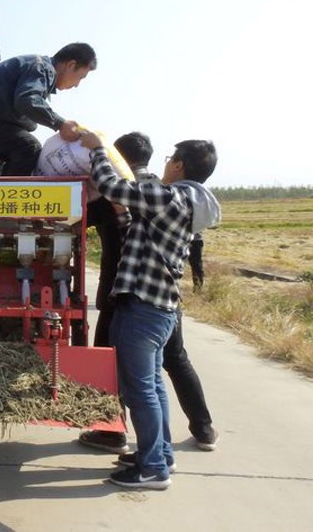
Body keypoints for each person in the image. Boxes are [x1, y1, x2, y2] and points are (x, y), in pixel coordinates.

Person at [79, 132, 220, 490]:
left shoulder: (168, 196)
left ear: (179, 165)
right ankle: (159, 454)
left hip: (143, 307)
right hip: (160, 307)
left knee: (140, 389)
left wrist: (97, 148)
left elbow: (111, 185)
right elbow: (140, 235)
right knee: (153, 386)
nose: (166, 165)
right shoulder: (188, 202)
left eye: (171, 159)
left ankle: (152, 468)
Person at [0, 43, 96, 175]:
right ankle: (9, 202)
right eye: (80, 78)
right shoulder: (42, 68)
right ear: (70, 65)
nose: (77, 85)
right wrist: (60, 123)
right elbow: (27, 100)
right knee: (28, 148)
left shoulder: (38, 68)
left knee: (15, 152)